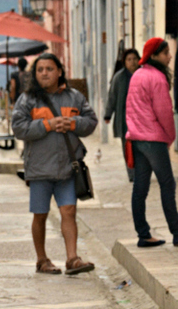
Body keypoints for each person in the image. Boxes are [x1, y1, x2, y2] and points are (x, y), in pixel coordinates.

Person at [12, 53, 98, 275]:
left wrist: (73, 123)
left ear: (59, 71)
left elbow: (91, 122)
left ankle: (72, 258)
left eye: (49, 69)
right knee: (40, 215)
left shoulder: (74, 97)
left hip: (68, 168)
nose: (44, 73)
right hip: (39, 169)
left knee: (68, 211)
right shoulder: (27, 100)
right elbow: (19, 128)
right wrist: (47, 125)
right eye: (40, 70)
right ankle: (42, 260)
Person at [125, 38, 178, 248]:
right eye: (166, 53)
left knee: (140, 187)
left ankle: (143, 234)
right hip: (153, 139)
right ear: (154, 56)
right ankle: (176, 232)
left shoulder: (137, 75)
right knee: (168, 184)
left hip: (137, 138)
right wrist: (170, 137)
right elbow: (165, 112)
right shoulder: (157, 78)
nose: (170, 56)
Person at [104, 48, 140, 182]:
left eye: (135, 59)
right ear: (124, 62)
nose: (132, 62)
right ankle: (132, 174)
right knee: (128, 147)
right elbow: (112, 97)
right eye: (129, 60)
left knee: (142, 147)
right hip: (125, 118)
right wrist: (108, 114)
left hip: (142, 118)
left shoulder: (144, 74)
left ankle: (141, 171)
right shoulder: (119, 78)